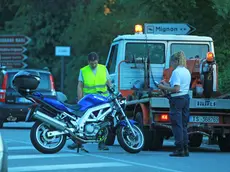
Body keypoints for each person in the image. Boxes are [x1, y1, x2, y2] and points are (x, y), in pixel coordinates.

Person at [67, 52, 112, 151]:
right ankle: (78, 142)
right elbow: (80, 85)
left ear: (98, 61)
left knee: (103, 122)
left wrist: (112, 94)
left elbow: (109, 83)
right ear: (88, 62)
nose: (93, 65)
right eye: (92, 63)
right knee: (83, 121)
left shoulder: (103, 69)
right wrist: (80, 99)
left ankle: (102, 143)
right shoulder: (83, 70)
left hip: (102, 100)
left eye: (95, 63)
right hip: (89, 100)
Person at [157, 51, 191, 157]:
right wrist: (167, 84)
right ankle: (185, 148)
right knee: (184, 125)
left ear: (176, 61)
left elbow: (176, 89)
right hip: (185, 98)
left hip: (177, 100)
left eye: (171, 61)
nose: (171, 64)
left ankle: (179, 148)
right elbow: (179, 86)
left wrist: (162, 87)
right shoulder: (186, 71)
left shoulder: (176, 72)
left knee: (177, 125)